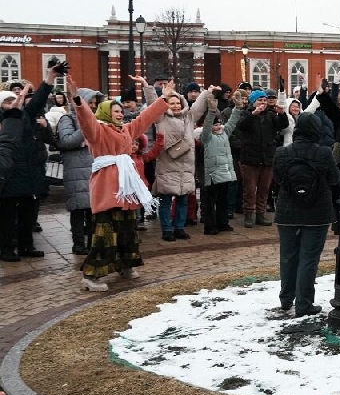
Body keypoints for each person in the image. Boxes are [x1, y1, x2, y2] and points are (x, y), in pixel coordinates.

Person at [66, 76, 169, 292]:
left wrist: (164, 98)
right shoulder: (98, 131)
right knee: (105, 233)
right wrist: (77, 99)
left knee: (127, 230)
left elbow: (145, 118)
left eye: (121, 111)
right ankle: (91, 276)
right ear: (105, 113)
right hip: (107, 187)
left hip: (126, 189)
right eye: (115, 111)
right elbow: (86, 120)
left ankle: (126, 265)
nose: (120, 114)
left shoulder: (126, 130)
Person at [272, 113, 339, 316]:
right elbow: (334, 179)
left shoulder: (282, 153)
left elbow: (277, 179)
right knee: (308, 258)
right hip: (316, 213)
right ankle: (304, 303)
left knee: (288, 256)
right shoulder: (324, 153)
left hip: (287, 212)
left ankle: (286, 299)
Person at [143, 81, 211, 242]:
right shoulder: (161, 117)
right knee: (165, 200)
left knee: (183, 199)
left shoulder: (189, 117)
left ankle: (179, 228)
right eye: (172, 103)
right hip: (167, 163)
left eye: (177, 103)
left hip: (186, 165)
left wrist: (207, 91)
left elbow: (199, 107)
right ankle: (167, 229)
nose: (175, 106)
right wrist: (148, 87)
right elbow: (153, 105)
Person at [0, 65, 56, 261]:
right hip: (8, 174)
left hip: (28, 172)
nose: (12, 102)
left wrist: (50, 77)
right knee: (6, 216)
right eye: (7, 101)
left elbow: (39, 98)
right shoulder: (3, 119)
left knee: (27, 213)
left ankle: (26, 246)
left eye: (13, 99)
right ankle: (6, 249)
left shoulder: (26, 114)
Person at [235, 89, 288, 228]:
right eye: (260, 100)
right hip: (250, 159)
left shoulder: (270, 115)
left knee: (264, 189)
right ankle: (248, 214)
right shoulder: (246, 114)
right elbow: (241, 126)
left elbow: (283, 125)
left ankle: (260, 214)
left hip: (267, 158)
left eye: (264, 100)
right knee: (250, 190)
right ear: (253, 102)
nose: (263, 103)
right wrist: (253, 114)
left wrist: (282, 114)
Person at [57, 87, 101, 255]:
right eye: (90, 103)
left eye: (94, 103)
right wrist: (86, 125)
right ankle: (78, 244)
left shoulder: (96, 119)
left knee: (92, 209)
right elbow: (67, 141)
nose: (93, 106)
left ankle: (92, 243)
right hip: (75, 170)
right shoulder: (67, 119)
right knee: (77, 209)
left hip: (93, 167)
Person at [197, 99, 236, 234]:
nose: (218, 127)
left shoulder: (225, 134)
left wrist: (238, 108)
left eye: (219, 124)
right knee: (210, 201)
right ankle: (210, 226)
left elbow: (232, 122)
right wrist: (212, 112)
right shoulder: (206, 137)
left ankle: (223, 223)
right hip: (212, 174)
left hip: (224, 173)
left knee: (223, 199)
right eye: (215, 125)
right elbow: (207, 125)